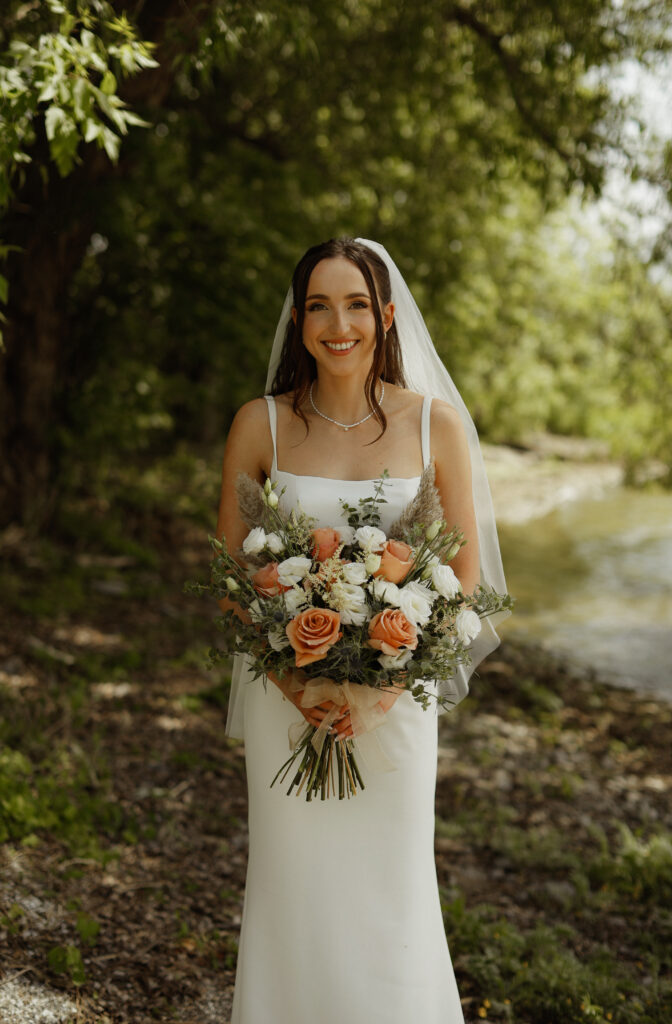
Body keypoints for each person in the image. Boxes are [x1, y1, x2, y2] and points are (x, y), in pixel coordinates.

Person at [215, 237, 509, 1023]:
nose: (335, 324)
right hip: (290, 703)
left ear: (383, 317)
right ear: (297, 317)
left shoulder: (434, 425)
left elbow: (464, 584)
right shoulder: (261, 426)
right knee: (293, 889)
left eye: (353, 305)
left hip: (395, 708)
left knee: (392, 895)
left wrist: (376, 696)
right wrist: (298, 680)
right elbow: (236, 587)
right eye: (318, 305)